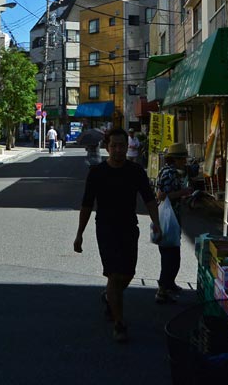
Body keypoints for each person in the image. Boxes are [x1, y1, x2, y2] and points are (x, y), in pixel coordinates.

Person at [74, 127, 162, 343]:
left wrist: (157, 223)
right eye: (114, 146)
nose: (118, 150)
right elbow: (86, 205)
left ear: (127, 146)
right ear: (107, 147)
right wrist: (79, 234)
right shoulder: (97, 172)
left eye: (122, 145)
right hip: (105, 228)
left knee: (128, 273)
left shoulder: (135, 171)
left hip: (129, 227)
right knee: (114, 275)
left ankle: (109, 296)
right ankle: (119, 323)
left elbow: (149, 199)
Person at [154, 143, 194, 303]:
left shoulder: (168, 171)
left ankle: (169, 283)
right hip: (168, 219)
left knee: (171, 254)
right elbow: (162, 196)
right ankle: (162, 290)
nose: (184, 161)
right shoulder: (169, 173)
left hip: (170, 218)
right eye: (182, 159)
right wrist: (183, 192)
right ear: (175, 159)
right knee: (170, 256)